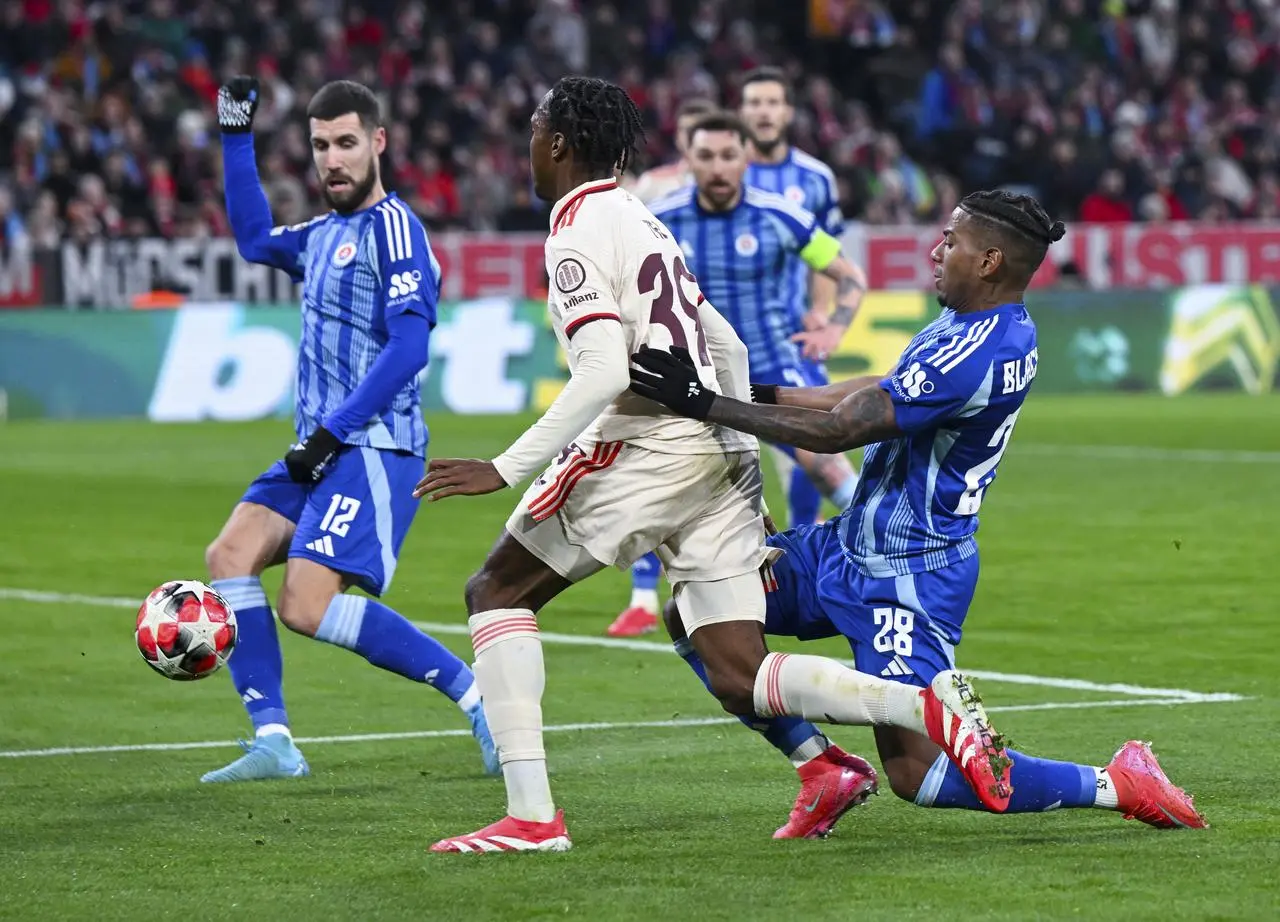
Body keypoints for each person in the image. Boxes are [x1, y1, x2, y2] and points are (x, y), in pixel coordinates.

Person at [415, 76, 1014, 855]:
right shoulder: (642, 218)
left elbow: (603, 370)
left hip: (644, 448)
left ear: (557, 143)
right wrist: (735, 457)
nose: (527, 143)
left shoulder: (576, 231)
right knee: (736, 665)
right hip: (713, 446)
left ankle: (532, 817)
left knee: (495, 591)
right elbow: (722, 342)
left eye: (533, 128)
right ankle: (902, 719)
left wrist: (504, 466)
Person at [629, 190, 1207, 836]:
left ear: (989, 261)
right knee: (697, 612)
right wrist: (753, 392)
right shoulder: (971, 324)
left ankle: (1118, 783)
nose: (936, 251)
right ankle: (823, 769)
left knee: (921, 777)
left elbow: (841, 431)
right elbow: (874, 390)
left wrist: (706, 404)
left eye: (951, 242)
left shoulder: (980, 350)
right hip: (844, 548)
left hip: (909, 578)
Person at [201, 76, 498, 782]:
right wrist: (236, 134)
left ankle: (481, 699)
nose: (332, 160)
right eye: (319, 146)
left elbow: (410, 347)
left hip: (373, 447)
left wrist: (331, 434)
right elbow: (253, 240)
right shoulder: (322, 234)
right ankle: (274, 741)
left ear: (378, 142)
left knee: (305, 606)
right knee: (229, 554)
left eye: (345, 143)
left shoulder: (396, 230)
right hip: (319, 450)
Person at [607, 109, 870, 640]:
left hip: (770, 367)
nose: (718, 167)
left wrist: (834, 326)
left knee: (823, 461)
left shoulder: (780, 216)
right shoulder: (658, 218)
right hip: (690, 372)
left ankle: (880, 543)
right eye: (706, 156)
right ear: (689, 160)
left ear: (745, 158)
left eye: (728, 155)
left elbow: (848, 274)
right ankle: (643, 599)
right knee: (652, 475)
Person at [740, 66, 861, 533]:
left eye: (772, 102)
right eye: (755, 103)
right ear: (741, 112)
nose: (764, 112)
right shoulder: (726, 173)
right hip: (730, 335)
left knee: (814, 436)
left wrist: (821, 313)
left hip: (790, 334)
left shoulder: (815, 178)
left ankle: (804, 533)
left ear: (787, 112)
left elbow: (827, 255)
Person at [623, 97, 717, 204]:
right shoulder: (654, 181)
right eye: (686, 130)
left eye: (699, 129)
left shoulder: (730, 182)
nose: (691, 136)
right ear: (677, 137)